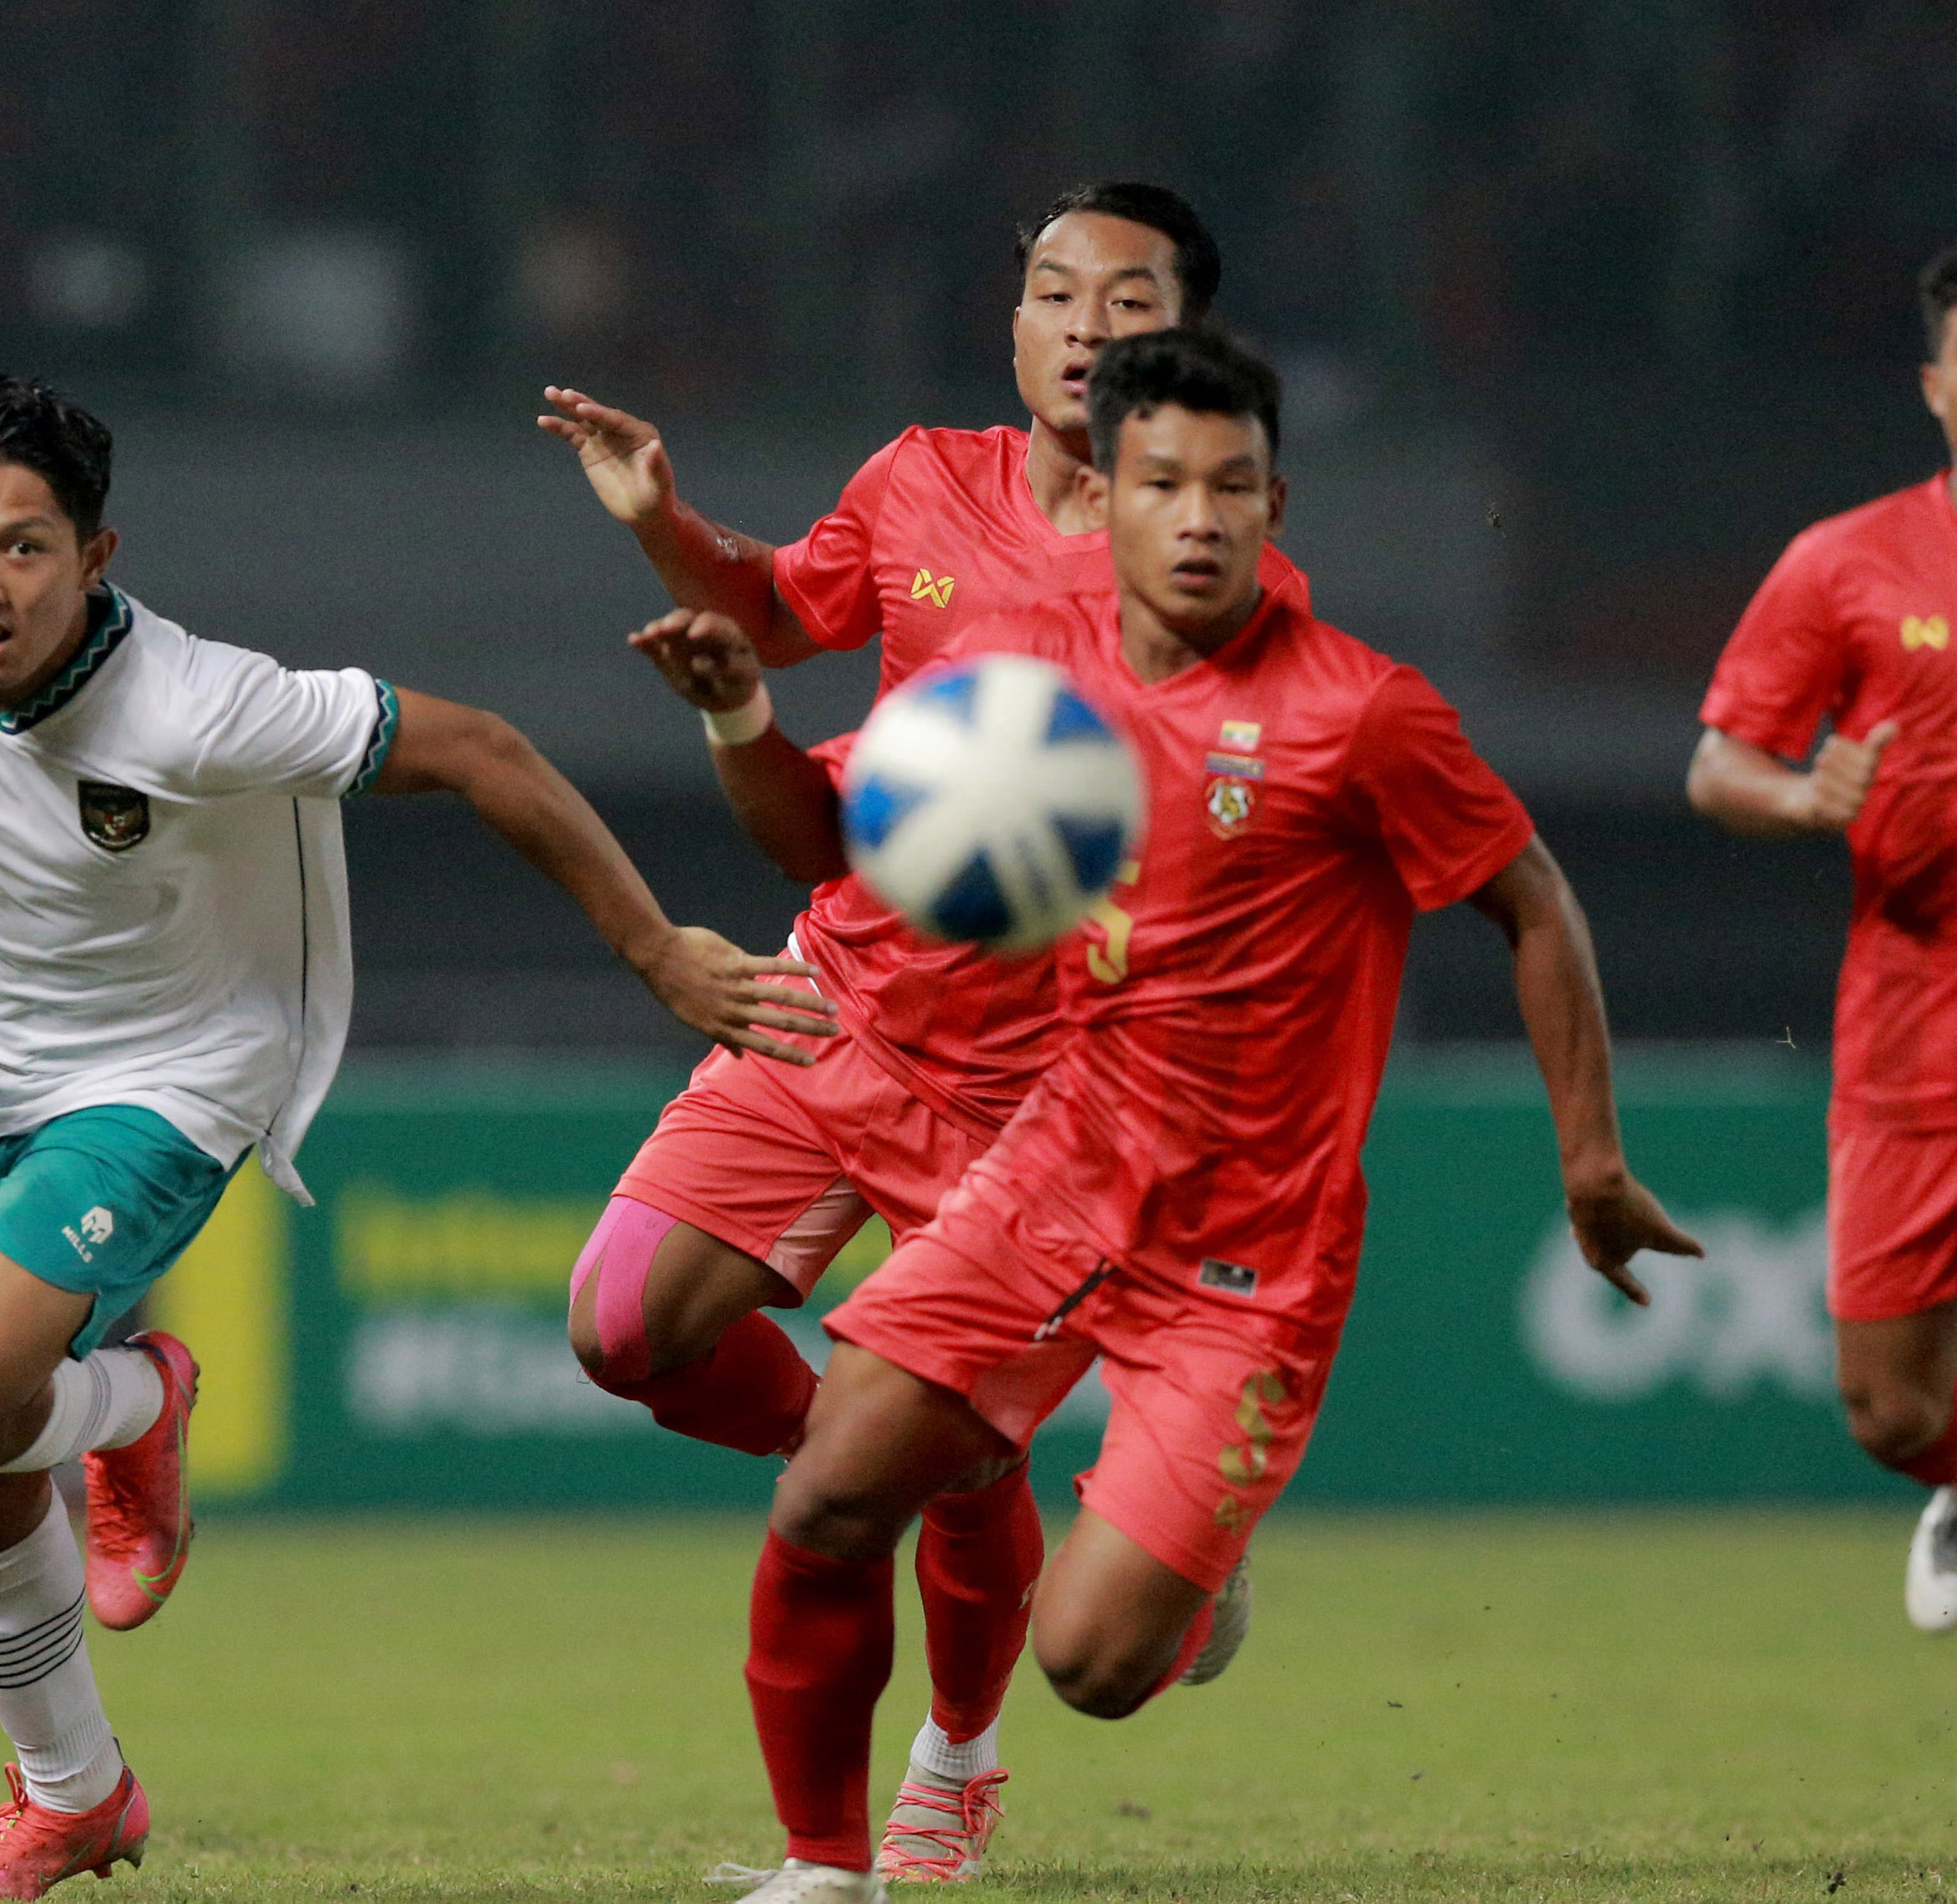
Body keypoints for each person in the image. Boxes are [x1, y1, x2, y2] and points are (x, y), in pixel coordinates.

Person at [0, 373, 835, 1899]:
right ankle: (73, 1792)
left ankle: (137, 1401)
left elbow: (482, 749)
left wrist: (656, 948)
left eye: (23, 547)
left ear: (96, 555)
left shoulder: (196, 700)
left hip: (172, 1074)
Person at [708, 327, 1701, 1903]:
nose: (1196, 515)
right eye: (1162, 480)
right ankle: (827, 1870)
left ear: (1273, 503)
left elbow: (1533, 904)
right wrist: (738, 718)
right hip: (1052, 1173)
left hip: (1251, 1253)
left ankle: (1182, 1567)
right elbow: (828, 829)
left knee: (1090, 1663)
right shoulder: (1027, 685)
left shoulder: (1359, 714)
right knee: (831, 1489)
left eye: (1231, 485)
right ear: (1104, 499)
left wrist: (1588, 1158)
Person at [543, 182, 1297, 1881]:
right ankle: (928, 1442)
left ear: (1182, 346)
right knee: (620, 1323)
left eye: (1125, 303)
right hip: (845, 1012)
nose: (1081, 326)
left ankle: (946, 1762)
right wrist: (659, 519)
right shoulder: (914, 482)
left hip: (1059, 1100)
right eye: (1050, 292)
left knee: (913, 1448)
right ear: (1010, 323)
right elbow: (779, 612)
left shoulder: (1213, 573)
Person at [1686, 244, 1957, 1631]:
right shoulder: (1846, 562)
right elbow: (1715, 763)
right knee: (1886, 1403)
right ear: (1933, 383)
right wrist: (1805, 791)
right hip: (1912, 1027)